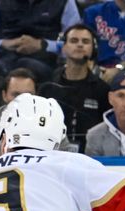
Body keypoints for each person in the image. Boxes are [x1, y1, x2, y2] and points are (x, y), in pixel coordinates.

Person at [0, 0, 80, 104]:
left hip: (44, 59)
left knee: (31, 66)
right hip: (4, 56)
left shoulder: (65, 2)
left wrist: (43, 45)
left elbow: (73, 42)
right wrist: (4, 43)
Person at [39, 23, 110, 153]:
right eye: (74, 40)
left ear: (93, 49)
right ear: (64, 47)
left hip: (91, 156)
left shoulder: (102, 89)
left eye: (86, 41)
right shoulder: (48, 86)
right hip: (51, 154)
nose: (80, 45)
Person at [0, 68, 36, 155]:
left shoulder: (51, 123)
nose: (22, 100)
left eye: (28, 95)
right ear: (4, 95)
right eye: (16, 95)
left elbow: (62, 157)